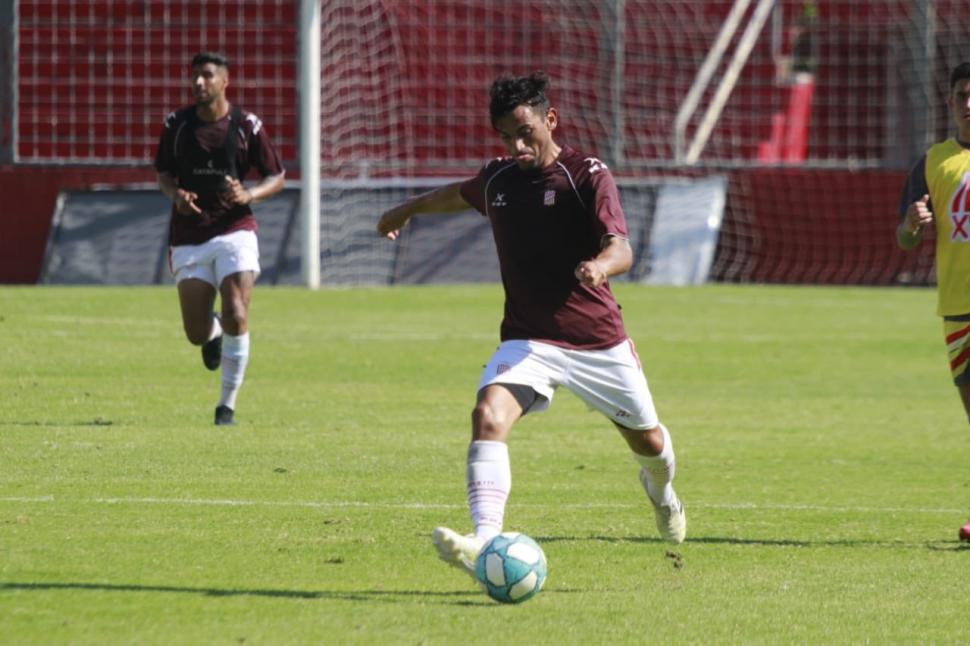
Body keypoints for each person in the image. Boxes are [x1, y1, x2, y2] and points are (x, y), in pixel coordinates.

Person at [377, 72, 686, 578]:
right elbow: (458, 194)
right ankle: (484, 541)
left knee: (649, 444)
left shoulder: (586, 175)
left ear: (550, 120)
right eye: (505, 136)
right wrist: (405, 210)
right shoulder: (499, 180)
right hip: (528, 340)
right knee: (487, 416)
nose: (517, 145)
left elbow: (621, 247)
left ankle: (662, 493)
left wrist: (600, 267)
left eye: (525, 132)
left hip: (596, 342)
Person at [154, 52, 285, 426]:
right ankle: (212, 335)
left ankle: (226, 406)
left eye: (207, 76)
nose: (199, 83)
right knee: (196, 333)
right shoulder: (176, 124)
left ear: (224, 81)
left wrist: (250, 195)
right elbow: (163, 173)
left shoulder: (246, 125)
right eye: (194, 76)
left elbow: (276, 177)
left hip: (235, 229)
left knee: (237, 312)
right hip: (190, 235)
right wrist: (176, 196)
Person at [897, 61, 970, 542]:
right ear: (949, 102)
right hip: (958, 307)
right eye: (962, 94)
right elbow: (904, 241)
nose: (969, 104)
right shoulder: (932, 162)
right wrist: (911, 224)